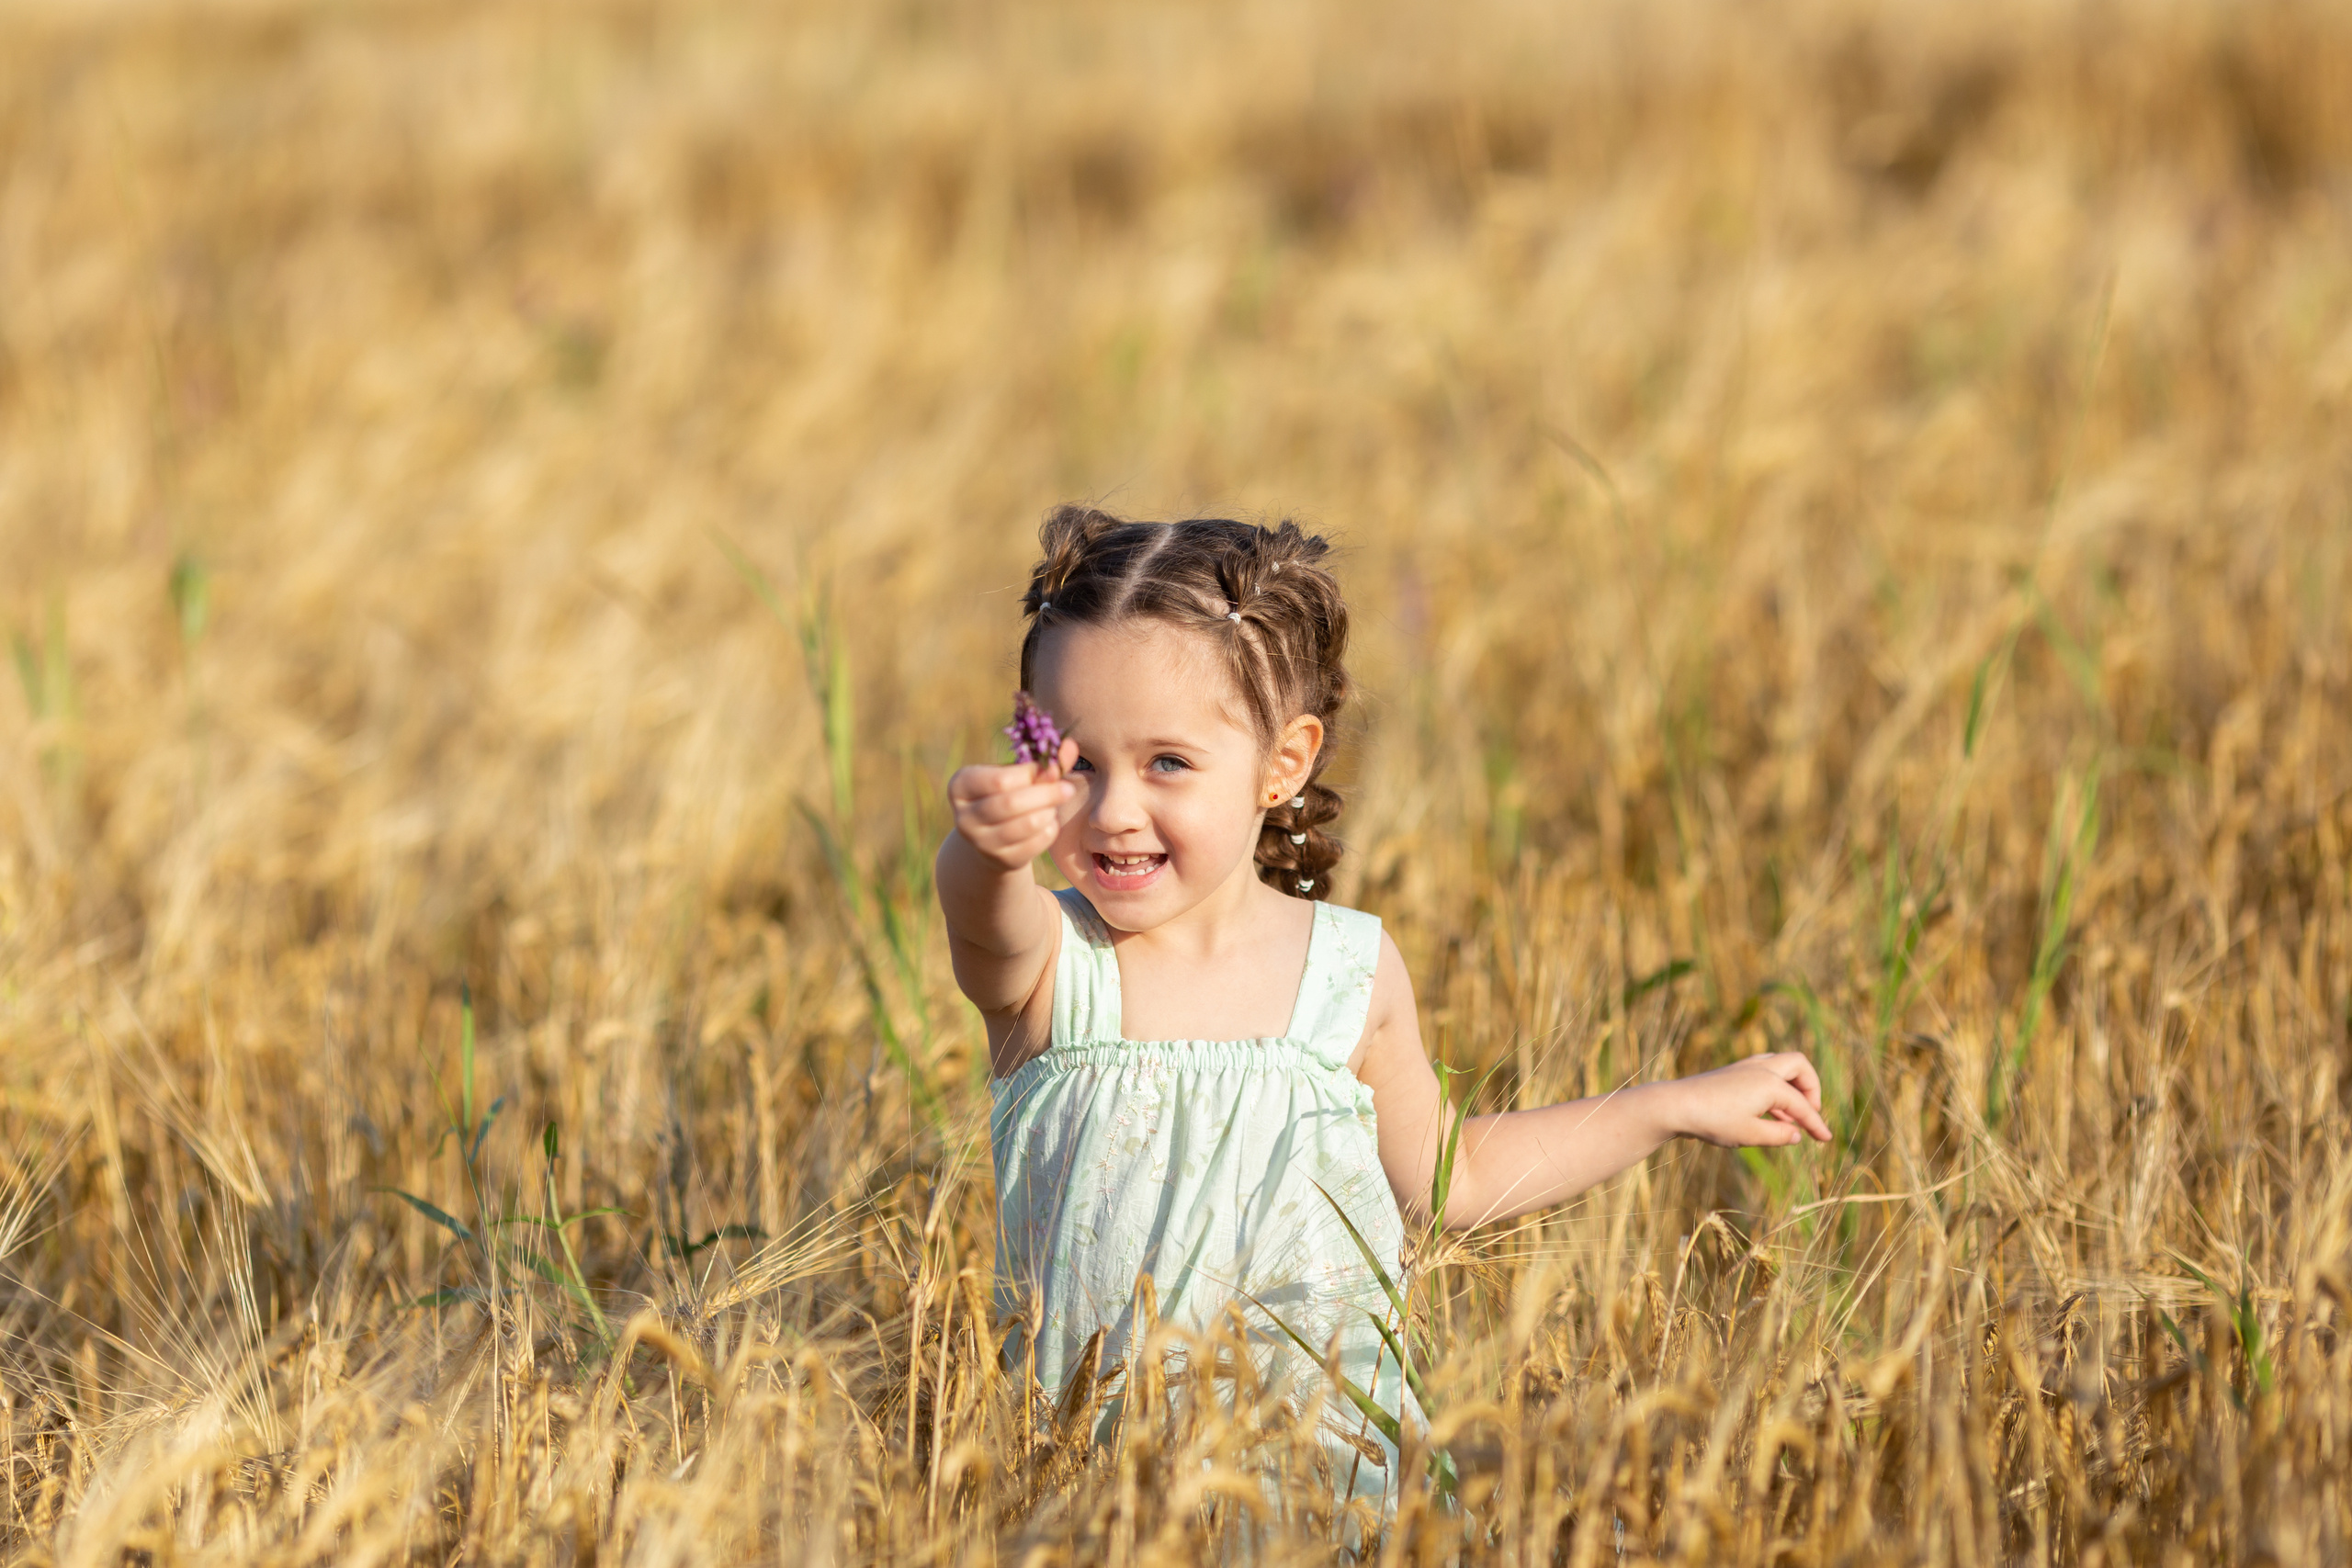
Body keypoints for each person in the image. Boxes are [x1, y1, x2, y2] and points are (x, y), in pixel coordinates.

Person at [937, 506, 1830, 1506]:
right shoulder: (1055, 967)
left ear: (1284, 763)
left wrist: (1669, 1106)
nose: (1113, 810)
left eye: (1168, 763)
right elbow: (983, 917)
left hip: (1326, 1489)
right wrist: (983, 848)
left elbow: (1450, 1181)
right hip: (1095, 1494)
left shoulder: (1346, 971)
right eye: (1075, 764)